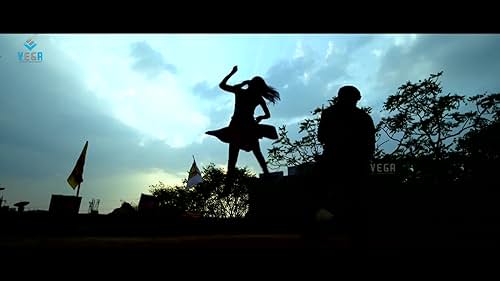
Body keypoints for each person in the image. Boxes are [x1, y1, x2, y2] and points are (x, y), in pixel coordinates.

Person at [315, 85, 375, 241]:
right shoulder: (363, 117)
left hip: (339, 164)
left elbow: (321, 137)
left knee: (329, 198)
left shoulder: (329, 114)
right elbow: (370, 145)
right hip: (352, 165)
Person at [206, 65, 280, 184]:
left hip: (236, 126)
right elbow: (268, 115)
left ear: (251, 84)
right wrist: (261, 117)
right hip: (249, 126)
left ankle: (228, 185)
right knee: (257, 153)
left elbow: (222, 86)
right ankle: (266, 174)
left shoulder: (240, 92)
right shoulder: (258, 98)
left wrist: (232, 74)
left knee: (233, 157)